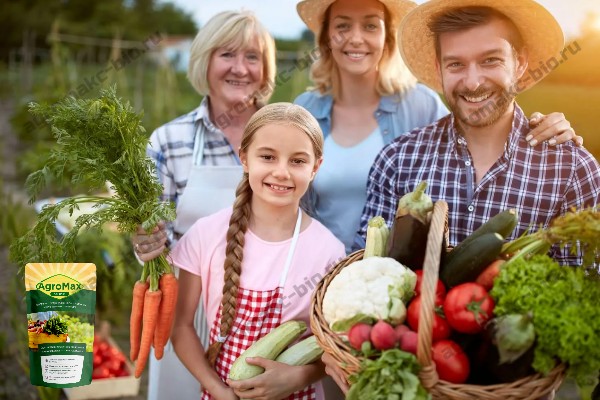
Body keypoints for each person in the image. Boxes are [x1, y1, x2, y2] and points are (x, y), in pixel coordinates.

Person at [294, 0, 583, 253]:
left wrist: (548, 127)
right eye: (456, 64)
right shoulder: (307, 111)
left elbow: (476, 119)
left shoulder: (419, 104)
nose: (472, 81)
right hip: (321, 268)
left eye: (490, 60)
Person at [132, 10, 276, 400]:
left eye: (253, 56)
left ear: (266, 68)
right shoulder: (168, 141)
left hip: (267, 311)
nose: (241, 69)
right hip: (185, 314)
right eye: (226, 54)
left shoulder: (283, 136)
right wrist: (146, 243)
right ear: (205, 61)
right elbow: (151, 240)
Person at [169, 102, 346, 400]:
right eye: (267, 156)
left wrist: (298, 376)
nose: (281, 172)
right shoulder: (206, 234)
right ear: (244, 158)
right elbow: (181, 327)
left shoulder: (329, 252)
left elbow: (333, 344)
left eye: (297, 161)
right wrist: (218, 391)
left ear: (315, 167)